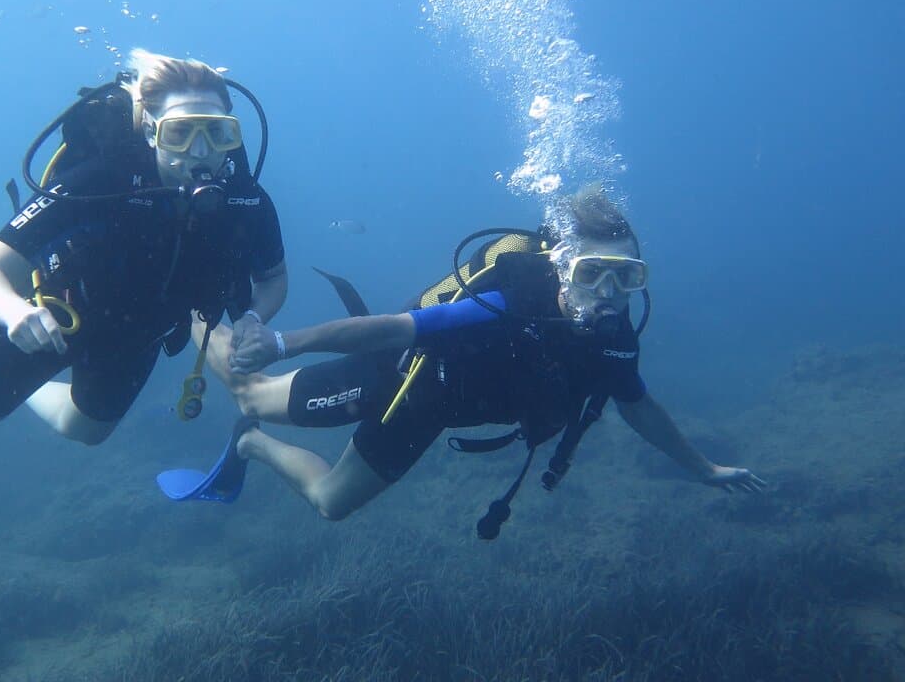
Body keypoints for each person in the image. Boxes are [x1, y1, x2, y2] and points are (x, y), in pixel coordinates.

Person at [182, 186, 763, 538]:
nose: (609, 294)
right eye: (592, 274)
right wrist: (285, 343)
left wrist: (703, 468)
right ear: (562, 269)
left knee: (331, 503)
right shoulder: (510, 298)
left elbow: (638, 405)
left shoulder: (613, 339)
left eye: (626, 277)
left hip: (440, 412)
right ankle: (190, 312)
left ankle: (248, 444)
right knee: (250, 394)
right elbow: (394, 328)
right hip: (405, 380)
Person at [0, 49, 286, 445]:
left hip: (140, 333)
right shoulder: (98, 182)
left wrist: (254, 317)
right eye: (179, 132)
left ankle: (29, 389)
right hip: (56, 317)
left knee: (86, 430)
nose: (200, 150)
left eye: (216, 132)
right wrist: (14, 312)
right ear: (150, 132)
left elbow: (273, 276)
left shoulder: (246, 200)